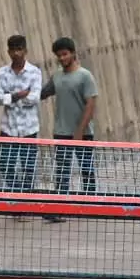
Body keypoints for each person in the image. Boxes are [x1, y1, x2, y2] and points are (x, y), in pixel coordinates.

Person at [45, 37, 100, 196]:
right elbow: (43, 93)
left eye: (65, 54)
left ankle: (90, 205)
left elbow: (90, 105)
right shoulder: (56, 76)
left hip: (83, 134)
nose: (62, 58)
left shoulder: (85, 76)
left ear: (73, 53)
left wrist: (79, 131)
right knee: (62, 173)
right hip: (61, 133)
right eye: (59, 55)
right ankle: (60, 206)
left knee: (87, 171)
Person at [0, 34, 44, 194]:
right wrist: (19, 95)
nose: (16, 53)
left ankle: (25, 205)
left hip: (28, 129)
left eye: (19, 49)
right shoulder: (1, 73)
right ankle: (20, 195)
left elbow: (34, 98)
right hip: (8, 129)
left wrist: (10, 96)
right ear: (8, 52)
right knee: (5, 166)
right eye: (13, 50)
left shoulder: (34, 72)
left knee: (29, 169)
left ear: (25, 50)